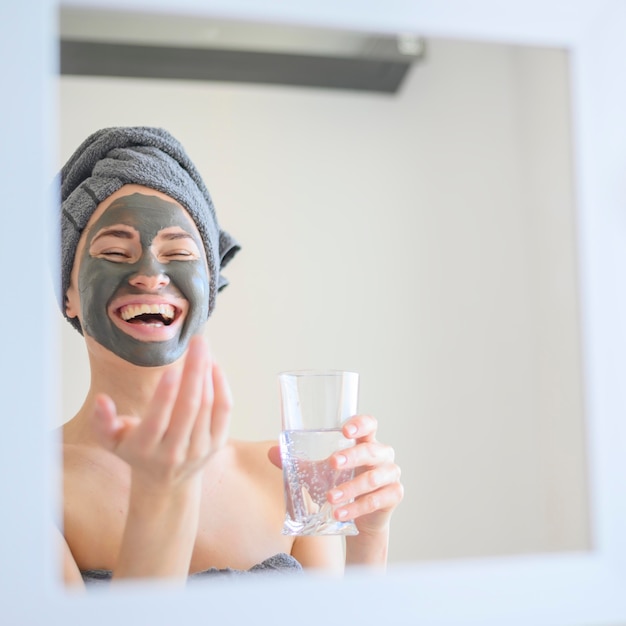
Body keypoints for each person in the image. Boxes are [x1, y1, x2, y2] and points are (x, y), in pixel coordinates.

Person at [56, 126, 404, 586]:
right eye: (115, 251)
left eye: (178, 251)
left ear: (209, 289)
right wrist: (165, 495)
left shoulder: (287, 481)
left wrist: (368, 538)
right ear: (68, 295)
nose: (150, 275)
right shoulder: (24, 487)